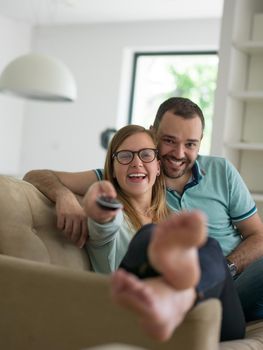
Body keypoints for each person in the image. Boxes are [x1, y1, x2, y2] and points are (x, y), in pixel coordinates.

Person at [23, 97, 263, 323]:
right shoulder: (130, 175)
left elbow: (258, 236)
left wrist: (227, 268)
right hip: (193, 300)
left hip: (235, 280)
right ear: (153, 134)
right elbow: (39, 176)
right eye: (169, 141)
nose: (179, 154)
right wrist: (65, 196)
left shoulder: (220, 171)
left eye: (190, 144)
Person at [81, 124, 245, 341]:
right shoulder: (116, 217)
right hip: (136, 317)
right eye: (125, 156)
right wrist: (100, 209)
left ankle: (179, 299)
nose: (137, 162)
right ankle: (169, 298)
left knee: (209, 245)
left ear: (158, 167)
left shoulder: (173, 220)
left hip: (210, 321)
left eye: (146, 155)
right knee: (149, 234)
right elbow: (104, 225)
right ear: (112, 168)